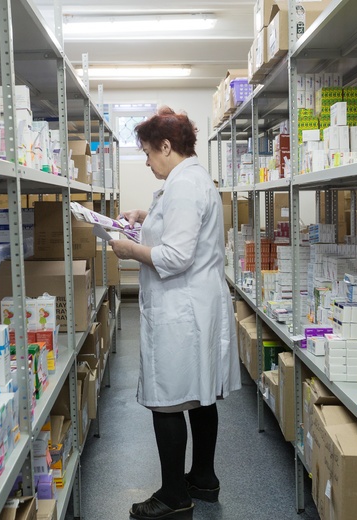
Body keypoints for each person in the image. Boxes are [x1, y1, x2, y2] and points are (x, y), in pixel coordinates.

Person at [109, 106, 241, 520]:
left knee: (166, 399)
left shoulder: (183, 185)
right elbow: (182, 228)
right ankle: (203, 478)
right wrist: (145, 217)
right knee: (200, 396)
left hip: (181, 308)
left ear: (166, 147)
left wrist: (129, 250)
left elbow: (176, 255)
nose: (147, 162)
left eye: (149, 153)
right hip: (193, 305)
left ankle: (172, 496)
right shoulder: (189, 180)